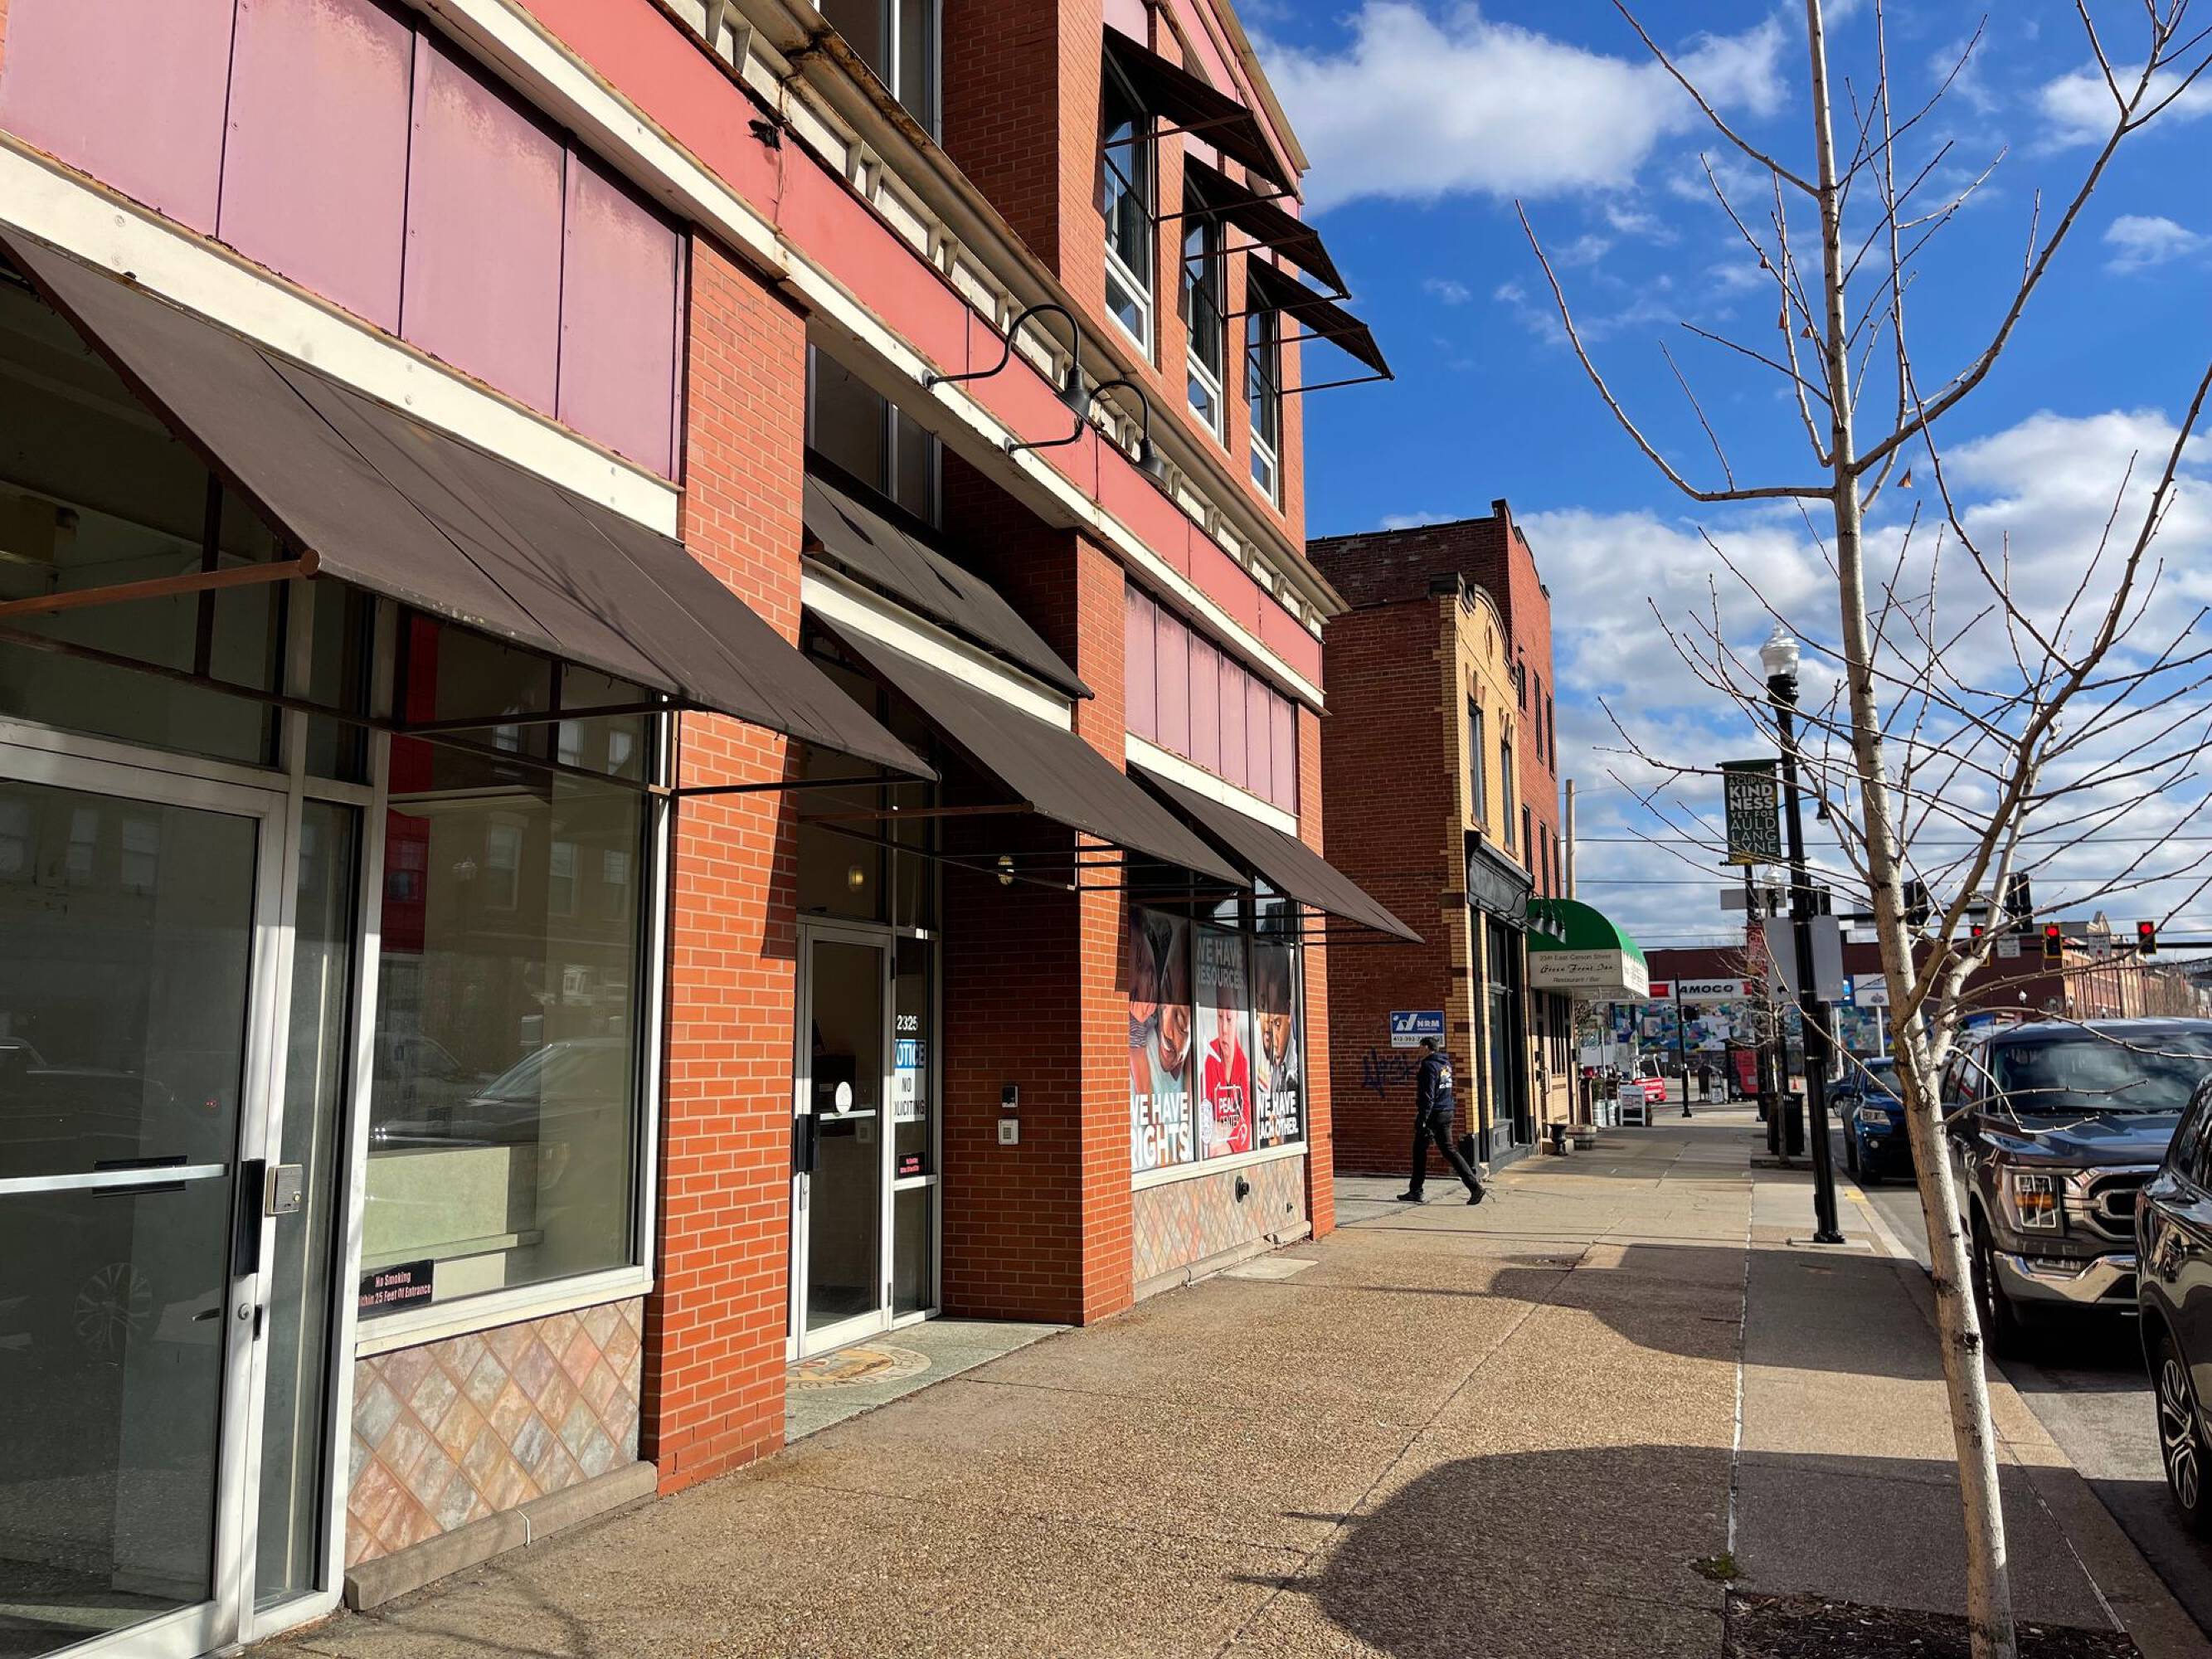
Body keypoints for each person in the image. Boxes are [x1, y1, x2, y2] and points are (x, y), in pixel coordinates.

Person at [1399, 1037, 1485, 1205]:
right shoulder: (1445, 1064)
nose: (1418, 1050)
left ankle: (1416, 1191)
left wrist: (1423, 1118)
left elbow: (1428, 1095)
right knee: (1449, 1150)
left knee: (1420, 1150)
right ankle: (1475, 1187)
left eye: (1420, 1047)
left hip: (1434, 1113)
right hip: (1447, 1111)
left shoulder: (1428, 1066)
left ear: (1426, 1047)